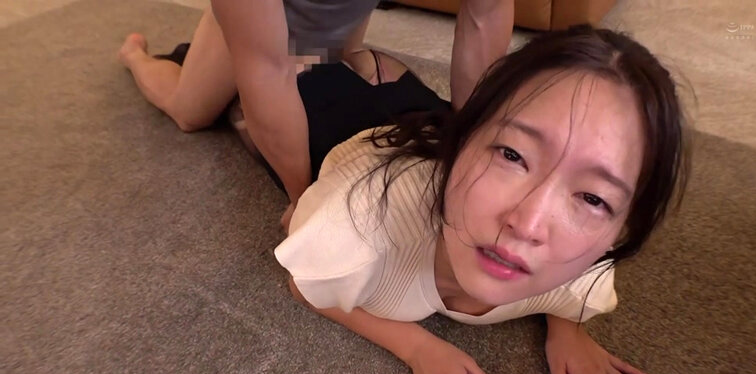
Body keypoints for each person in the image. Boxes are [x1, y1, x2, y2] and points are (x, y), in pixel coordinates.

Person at [274, 25, 691, 374]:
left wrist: (569, 329)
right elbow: (303, 285)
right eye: (513, 155)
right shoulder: (358, 223)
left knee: (393, 88)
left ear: (621, 231)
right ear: (465, 137)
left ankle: (376, 68)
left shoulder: (586, 263)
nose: (527, 225)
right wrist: (419, 349)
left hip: (432, 127)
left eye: (592, 198)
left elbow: (578, 287)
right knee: (289, 66)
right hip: (353, 140)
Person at [118, 0, 515, 228]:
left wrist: (473, 138)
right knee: (191, 113)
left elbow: (485, 15)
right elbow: (266, 70)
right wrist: (302, 198)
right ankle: (135, 56)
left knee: (326, 63)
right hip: (254, 22)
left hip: (338, 10)